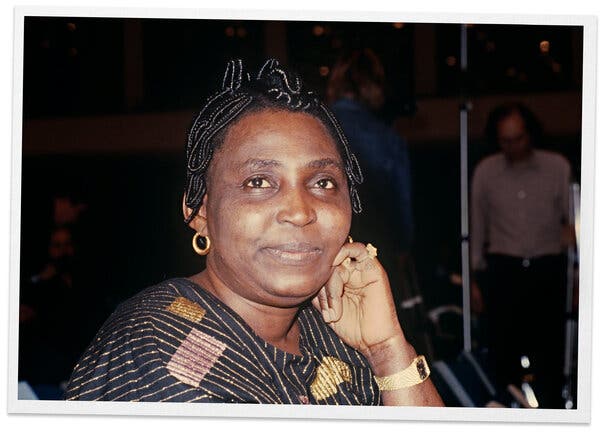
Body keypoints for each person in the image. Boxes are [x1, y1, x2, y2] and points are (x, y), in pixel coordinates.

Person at [64, 59, 443, 406]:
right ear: (199, 213)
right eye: (259, 181)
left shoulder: (332, 328)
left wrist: (387, 349)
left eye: (323, 183)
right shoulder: (158, 351)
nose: (299, 211)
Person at [470, 102, 573, 408]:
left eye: (519, 138)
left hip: (548, 269)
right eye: (506, 140)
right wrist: (474, 280)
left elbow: (573, 226)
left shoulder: (558, 167)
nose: (514, 146)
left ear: (531, 133)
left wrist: (578, 277)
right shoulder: (486, 172)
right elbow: (477, 227)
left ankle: (555, 418)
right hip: (504, 271)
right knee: (503, 358)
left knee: (550, 359)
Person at [326, 49, 417, 336]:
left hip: (327, 244)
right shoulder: (387, 137)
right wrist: (403, 247)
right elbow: (403, 205)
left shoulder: (317, 126)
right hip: (376, 247)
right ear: (374, 85)